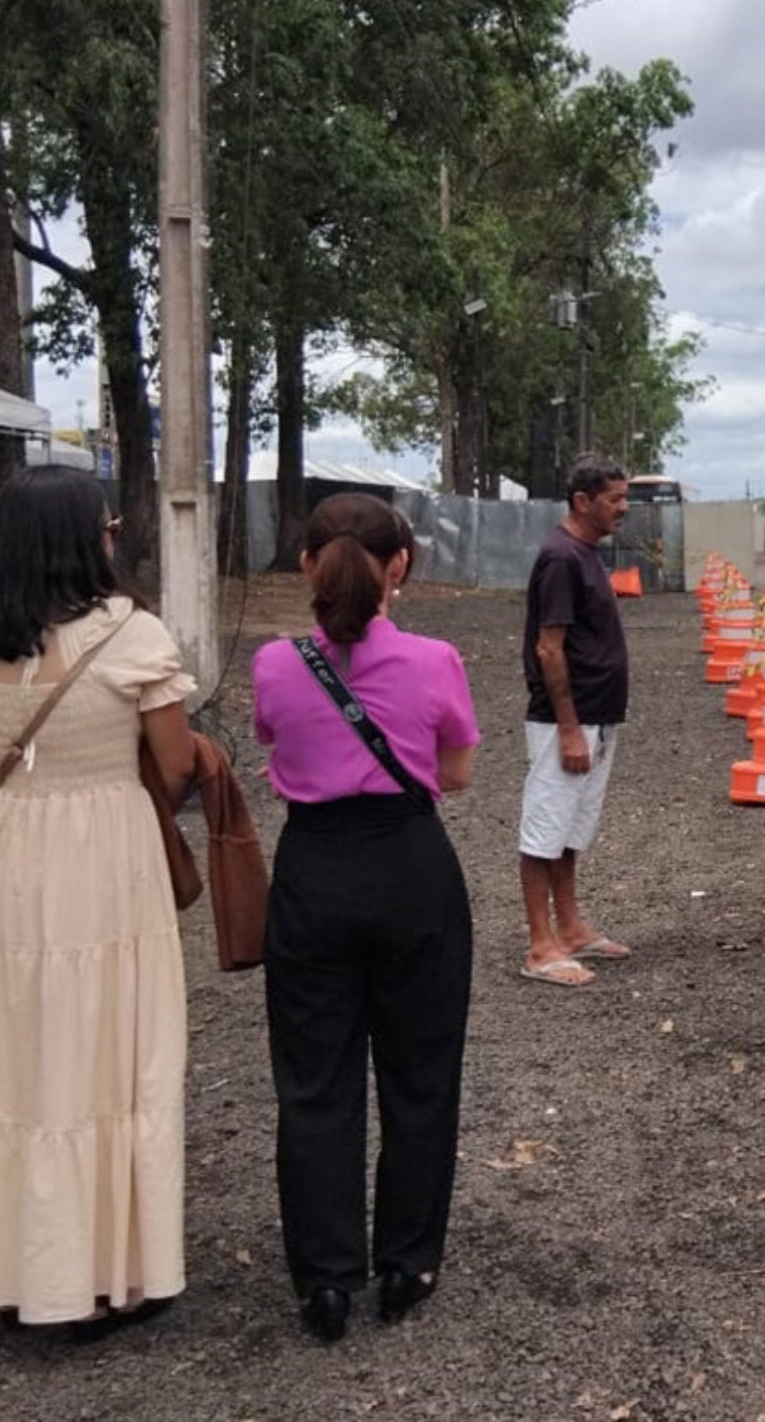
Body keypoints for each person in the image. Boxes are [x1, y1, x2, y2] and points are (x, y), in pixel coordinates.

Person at [0, 466, 194, 1327]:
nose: (113, 535)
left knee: (10, 1053)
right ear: (82, 539)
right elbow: (174, 767)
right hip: (109, 857)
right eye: (105, 526)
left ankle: (10, 1264)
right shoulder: (132, 636)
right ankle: (107, 1270)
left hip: (11, 848)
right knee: (107, 1049)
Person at [251, 494, 478, 1344]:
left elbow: (277, 744)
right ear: (400, 567)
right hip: (410, 870)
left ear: (308, 565)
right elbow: (453, 775)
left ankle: (326, 1276)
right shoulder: (435, 660)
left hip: (313, 871)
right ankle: (408, 1261)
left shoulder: (275, 664)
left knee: (315, 1080)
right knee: (421, 1073)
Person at [518, 454, 634, 987]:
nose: (624, 509)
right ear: (582, 501)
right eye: (614, 499)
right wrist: (567, 727)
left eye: (624, 497)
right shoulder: (562, 558)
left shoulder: (585, 554)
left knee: (570, 830)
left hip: (597, 717)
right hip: (569, 719)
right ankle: (540, 946)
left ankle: (569, 927)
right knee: (545, 829)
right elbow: (549, 648)